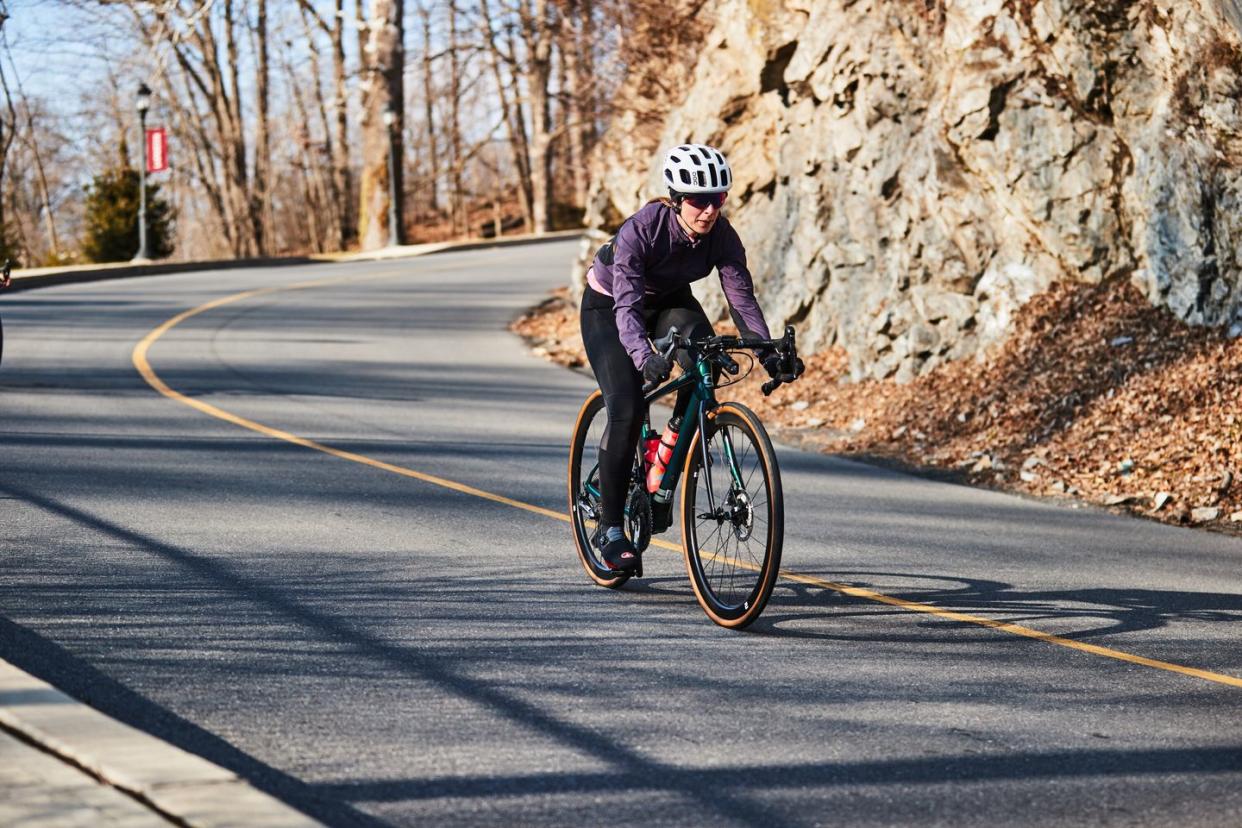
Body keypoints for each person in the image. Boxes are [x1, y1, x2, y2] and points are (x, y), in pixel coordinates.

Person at [579, 143, 803, 572]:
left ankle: (669, 455)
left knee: (709, 361)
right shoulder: (640, 231)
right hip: (608, 307)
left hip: (669, 302)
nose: (709, 210)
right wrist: (644, 357)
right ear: (677, 199)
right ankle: (609, 529)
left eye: (717, 199)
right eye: (699, 200)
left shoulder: (722, 235)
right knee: (625, 408)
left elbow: (741, 300)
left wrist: (768, 352)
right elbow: (626, 310)